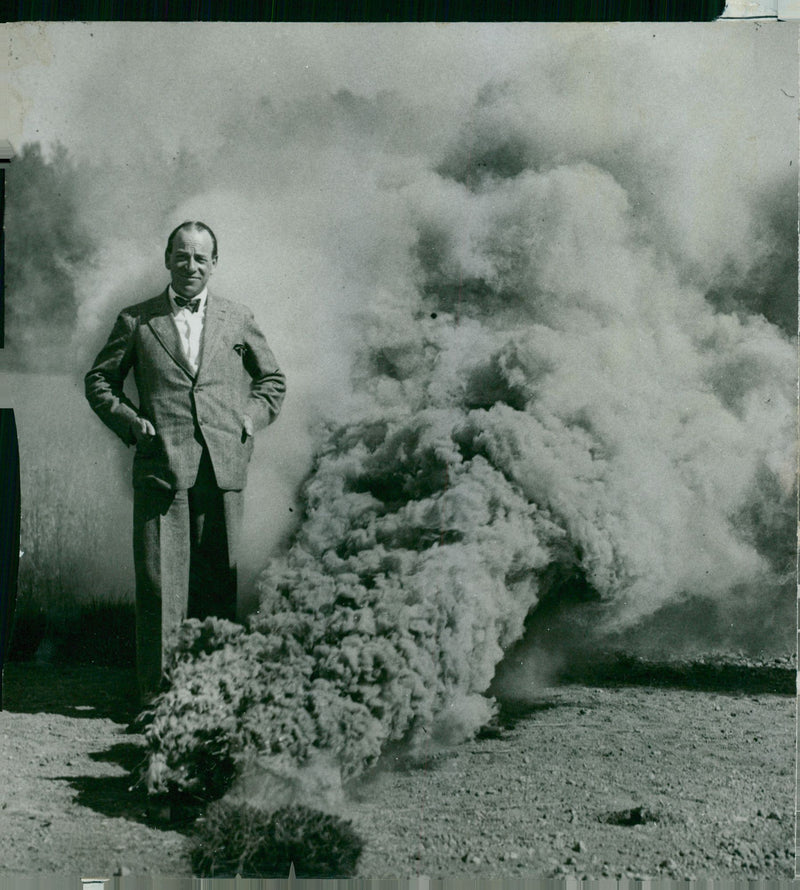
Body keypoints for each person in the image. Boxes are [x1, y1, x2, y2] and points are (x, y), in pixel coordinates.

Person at [85, 221, 286, 704]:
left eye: (201, 258)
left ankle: (214, 697)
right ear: (167, 260)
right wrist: (132, 424)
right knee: (160, 590)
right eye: (182, 256)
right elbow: (99, 382)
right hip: (162, 471)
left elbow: (273, 382)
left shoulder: (238, 319)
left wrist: (251, 417)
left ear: (214, 264)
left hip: (223, 472)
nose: (191, 266)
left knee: (217, 586)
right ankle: (156, 700)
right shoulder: (137, 320)